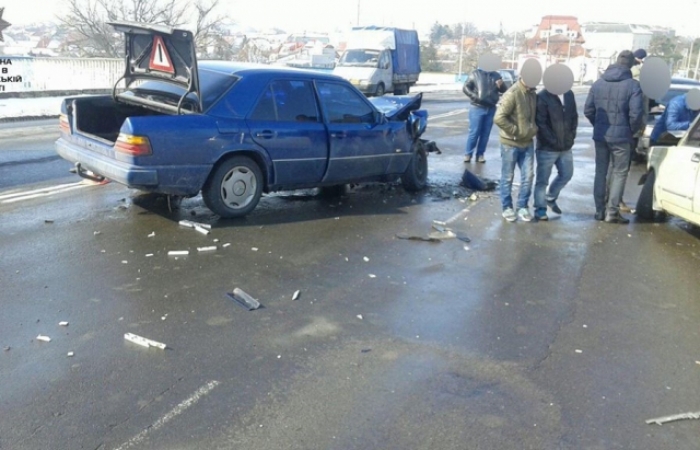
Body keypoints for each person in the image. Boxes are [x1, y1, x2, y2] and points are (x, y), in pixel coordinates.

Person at [584, 50, 644, 224]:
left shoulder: (598, 84)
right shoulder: (633, 85)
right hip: (622, 137)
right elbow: (636, 113)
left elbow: (588, 110)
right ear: (631, 65)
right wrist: (630, 130)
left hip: (601, 136)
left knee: (600, 172)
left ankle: (599, 211)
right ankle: (612, 212)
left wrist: (599, 125)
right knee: (619, 172)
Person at [494, 75, 538, 222]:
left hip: (527, 143)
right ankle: (506, 207)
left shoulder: (532, 94)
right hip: (510, 144)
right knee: (507, 177)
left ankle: (522, 206)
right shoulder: (512, 93)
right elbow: (499, 117)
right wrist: (515, 131)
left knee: (528, 176)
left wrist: (532, 130)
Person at [533, 87, 578, 221]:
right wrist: (553, 141)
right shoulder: (542, 96)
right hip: (547, 148)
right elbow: (540, 123)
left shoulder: (569, 94)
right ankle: (540, 209)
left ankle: (550, 197)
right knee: (542, 181)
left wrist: (571, 137)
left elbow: (574, 117)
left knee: (567, 174)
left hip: (566, 146)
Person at [462, 67, 508, 163]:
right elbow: (465, 87)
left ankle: (480, 154)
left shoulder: (496, 75)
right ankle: (468, 154)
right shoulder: (475, 74)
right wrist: (474, 97)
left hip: (491, 108)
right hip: (477, 107)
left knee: (485, 135)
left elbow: (504, 90)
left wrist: (501, 85)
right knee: (474, 133)